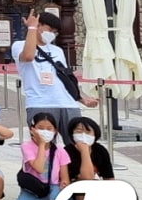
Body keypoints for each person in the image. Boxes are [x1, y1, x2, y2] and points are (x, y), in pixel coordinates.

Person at [12, 11, 98, 144]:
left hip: (68, 103)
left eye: (55, 32)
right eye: (49, 29)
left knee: (77, 143)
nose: (51, 34)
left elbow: (65, 77)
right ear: (38, 25)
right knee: (44, 145)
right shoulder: (19, 46)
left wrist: (80, 98)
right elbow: (28, 56)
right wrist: (31, 28)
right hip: (40, 103)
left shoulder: (57, 51)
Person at [16, 112, 73, 200]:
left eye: (49, 129)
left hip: (53, 187)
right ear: (32, 129)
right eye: (40, 128)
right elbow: (39, 168)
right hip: (34, 188)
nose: (45, 131)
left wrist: (64, 185)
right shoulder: (27, 146)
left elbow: (64, 176)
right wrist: (42, 144)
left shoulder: (60, 150)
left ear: (55, 131)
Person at [65, 116, 114, 200]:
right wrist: (84, 151)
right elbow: (86, 177)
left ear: (95, 135)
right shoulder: (67, 151)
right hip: (72, 189)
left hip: (93, 186)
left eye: (88, 132)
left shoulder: (100, 151)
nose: (83, 135)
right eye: (79, 131)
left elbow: (109, 178)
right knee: (83, 184)